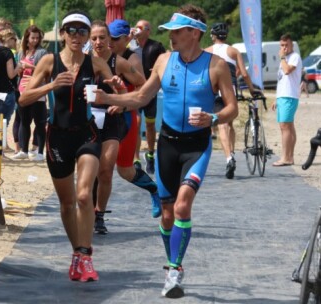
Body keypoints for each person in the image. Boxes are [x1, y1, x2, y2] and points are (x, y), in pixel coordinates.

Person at [94, 5, 238, 297]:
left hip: (197, 146)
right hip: (167, 145)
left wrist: (213, 118)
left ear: (194, 33)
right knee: (168, 215)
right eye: (169, 32)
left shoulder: (216, 65)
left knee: (183, 205)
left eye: (176, 32)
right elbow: (141, 96)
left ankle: (175, 268)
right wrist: (108, 97)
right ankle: (171, 262)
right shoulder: (162, 60)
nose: (170, 36)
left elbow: (232, 107)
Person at [19, 10, 122, 282]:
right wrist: (52, 84)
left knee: (84, 196)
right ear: (63, 34)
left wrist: (114, 93)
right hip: (57, 137)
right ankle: (77, 252)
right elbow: (24, 98)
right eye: (71, 31)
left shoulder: (97, 63)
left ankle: (86, 256)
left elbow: (115, 92)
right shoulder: (49, 61)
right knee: (66, 204)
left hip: (86, 135)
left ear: (88, 36)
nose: (76, 36)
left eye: (82, 31)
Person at [88, 20, 150, 234]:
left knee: (105, 171)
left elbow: (143, 86)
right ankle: (86, 210)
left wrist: (123, 104)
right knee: (89, 171)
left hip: (113, 120)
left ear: (109, 40)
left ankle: (99, 215)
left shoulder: (120, 63)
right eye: (94, 38)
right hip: (87, 121)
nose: (98, 42)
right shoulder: (83, 61)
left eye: (103, 38)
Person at [205, 22, 262, 179]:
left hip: (215, 89)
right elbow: (244, 74)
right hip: (231, 90)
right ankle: (232, 153)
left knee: (221, 124)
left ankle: (229, 157)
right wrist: (251, 89)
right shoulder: (234, 51)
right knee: (229, 123)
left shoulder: (207, 51)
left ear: (213, 36)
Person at [131, 19, 166, 174]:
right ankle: (136, 159)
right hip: (135, 91)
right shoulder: (130, 45)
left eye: (140, 27)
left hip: (151, 92)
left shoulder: (156, 46)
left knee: (150, 125)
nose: (137, 29)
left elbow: (166, 63)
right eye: (136, 26)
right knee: (136, 123)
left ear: (147, 30)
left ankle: (150, 154)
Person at [13, 25, 47, 161]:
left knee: (39, 122)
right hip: (23, 89)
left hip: (37, 90)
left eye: (37, 38)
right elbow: (17, 72)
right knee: (24, 121)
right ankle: (24, 150)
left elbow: (44, 70)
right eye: (32, 37)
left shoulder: (42, 52)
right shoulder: (22, 53)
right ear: (27, 38)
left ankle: (39, 152)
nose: (35, 40)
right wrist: (19, 70)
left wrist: (30, 66)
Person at [271, 33, 302, 166]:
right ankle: (290, 157)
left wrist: (283, 58)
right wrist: (276, 98)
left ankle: (285, 157)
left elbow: (288, 71)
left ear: (292, 44)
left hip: (290, 96)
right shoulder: (285, 59)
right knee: (288, 126)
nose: (284, 48)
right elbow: (281, 80)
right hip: (283, 96)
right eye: (282, 45)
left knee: (285, 126)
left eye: (286, 45)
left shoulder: (294, 57)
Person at [0, 28, 21, 133]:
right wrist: (19, 67)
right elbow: (11, 74)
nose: (15, 42)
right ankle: (0, 147)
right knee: (3, 124)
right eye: (14, 39)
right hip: (7, 91)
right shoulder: (8, 53)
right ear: (9, 39)